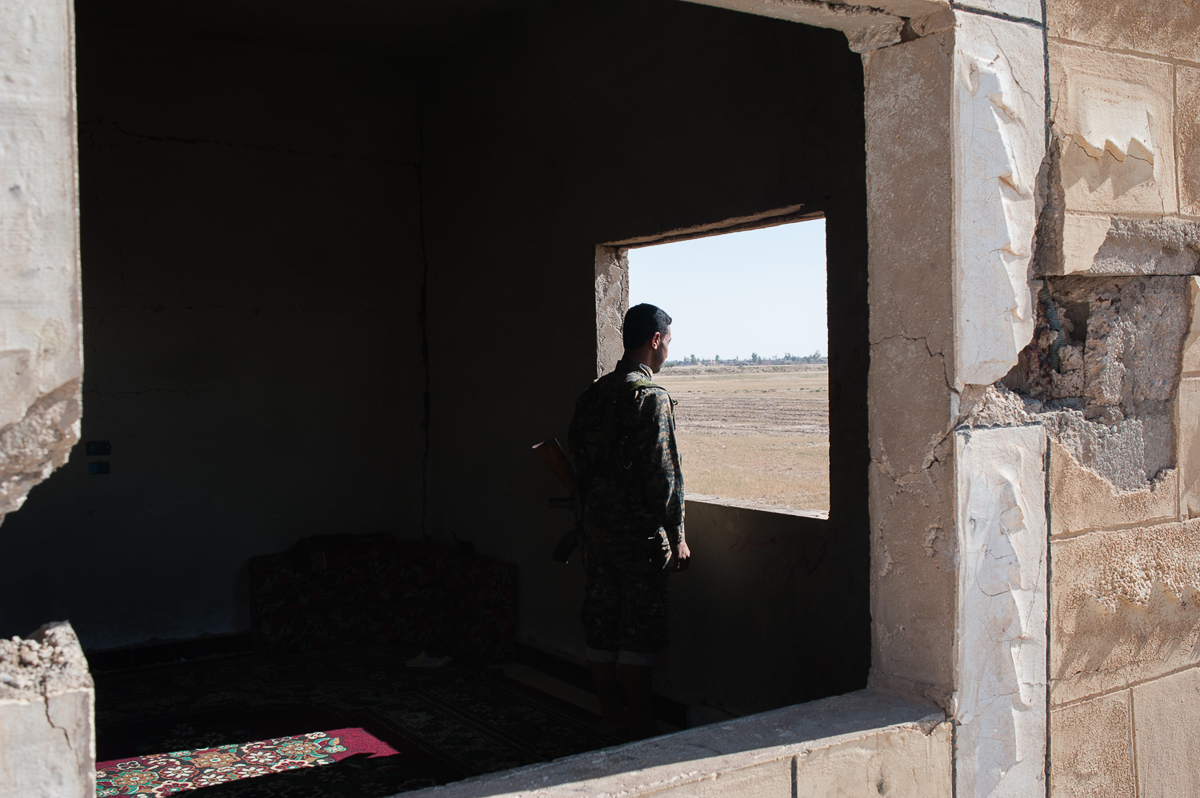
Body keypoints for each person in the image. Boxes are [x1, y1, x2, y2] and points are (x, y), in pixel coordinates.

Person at [568, 303, 691, 740]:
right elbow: (664, 475)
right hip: (640, 537)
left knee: (600, 624)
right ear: (654, 340)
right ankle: (642, 725)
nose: (668, 351)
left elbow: (578, 470)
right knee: (639, 632)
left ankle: (610, 714)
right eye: (668, 342)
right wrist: (677, 534)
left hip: (597, 535)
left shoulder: (592, 396)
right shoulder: (649, 398)